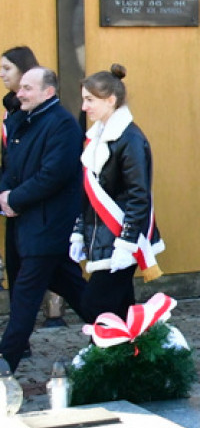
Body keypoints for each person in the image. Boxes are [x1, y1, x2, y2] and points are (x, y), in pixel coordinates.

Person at [0, 67, 86, 372]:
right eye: (20, 87)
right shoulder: (25, 119)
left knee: (24, 298)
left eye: (27, 88)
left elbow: (53, 175)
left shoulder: (62, 124)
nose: (19, 92)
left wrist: (15, 198)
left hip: (48, 226)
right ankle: (123, 333)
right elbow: (9, 164)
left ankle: (4, 363)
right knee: (77, 292)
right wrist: (5, 195)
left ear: (47, 92)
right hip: (27, 224)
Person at [73, 64, 164, 322]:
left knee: (95, 306)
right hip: (101, 236)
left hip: (120, 239)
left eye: (90, 100)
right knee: (121, 309)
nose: (84, 107)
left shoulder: (130, 139)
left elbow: (138, 195)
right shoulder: (98, 137)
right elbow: (88, 194)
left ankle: (96, 360)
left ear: (110, 100)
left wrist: (126, 241)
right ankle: (130, 359)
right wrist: (79, 230)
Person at [1, 46, 39, 312]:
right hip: (12, 199)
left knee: (49, 271)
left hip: (32, 201)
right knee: (16, 269)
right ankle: (17, 338)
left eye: (7, 69)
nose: (2, 75)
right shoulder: (11, 109)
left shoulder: (34, 112)